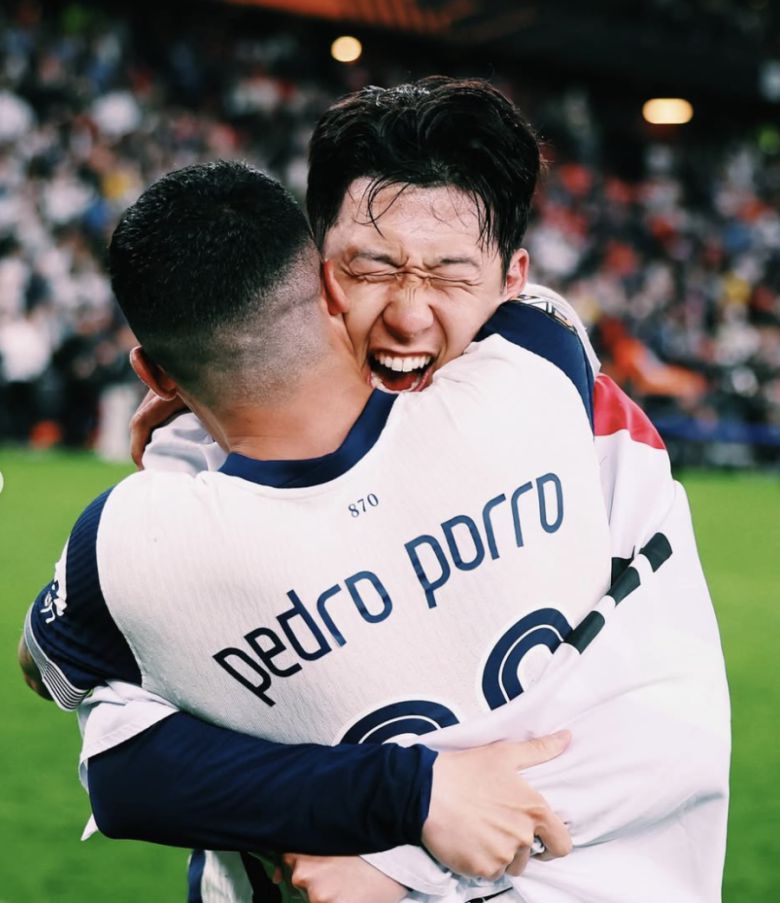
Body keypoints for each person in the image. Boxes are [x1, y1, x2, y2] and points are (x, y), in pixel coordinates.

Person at [23, 79, 729, 903]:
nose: (409, 316)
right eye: (372, 268)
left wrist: (399, 856)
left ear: (509, 283)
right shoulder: (540, 365)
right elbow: (126, 757)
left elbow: (665, 715)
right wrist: (409, 794)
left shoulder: (584, 424)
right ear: (317, 277)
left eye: (451, 277)